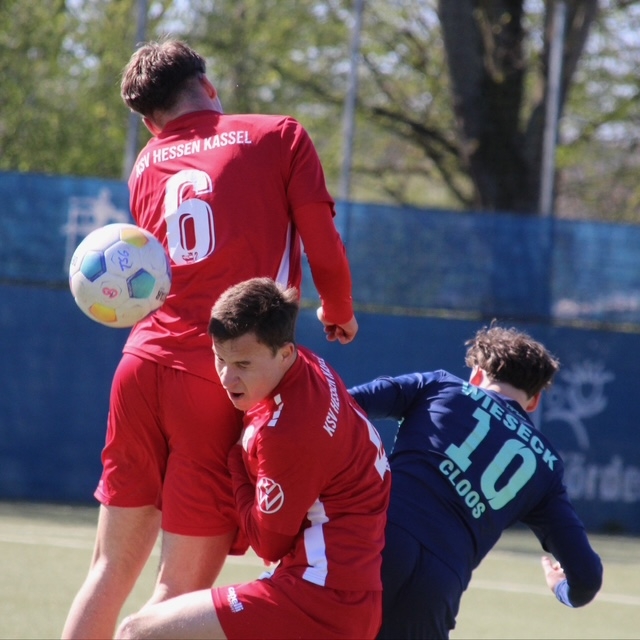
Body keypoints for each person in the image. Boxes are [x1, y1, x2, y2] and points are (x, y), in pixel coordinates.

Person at [62, 40, 358, 639]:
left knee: (109, 567)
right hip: (218, 373)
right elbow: (322, 241)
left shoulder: (147, 163)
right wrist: (340, 309)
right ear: (209, 86)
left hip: (139, 366)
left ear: (151, 121)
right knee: (179, 596)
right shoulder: (280, 135)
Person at [114, 277, 391, 640]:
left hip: (317, 600)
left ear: (285, 353)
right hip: (345, 595)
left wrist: (234, 462)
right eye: (220, 358)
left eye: (243, 364)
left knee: (137, 632)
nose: (227, 377)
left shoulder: (287, 434)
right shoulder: (310, 366)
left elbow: (267, 543)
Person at [349, 324, 603, 640]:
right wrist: (563, 589)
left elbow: (339, 407)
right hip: (437, 589)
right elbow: (587, 579)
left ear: (477, 375)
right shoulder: (546, 465)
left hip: (375, 544)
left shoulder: (439, 385)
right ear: (534, 402)